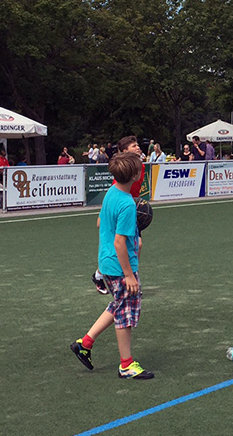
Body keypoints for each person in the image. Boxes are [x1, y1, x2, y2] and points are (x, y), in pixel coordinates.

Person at [70, 152, 155, 379]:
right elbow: (119, 242)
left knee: (118, 304)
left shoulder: (111, 192)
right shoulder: (127, 204)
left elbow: (100, 222)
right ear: (136, 176)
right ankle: (126, 364)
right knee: (125, 314)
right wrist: (129, 275)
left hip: (106, 262)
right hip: (120, 267)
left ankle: (85, 343)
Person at [92, 136, 145, 295]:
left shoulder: (138, 167)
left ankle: (129, 274)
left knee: (137, 244)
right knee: (126, 244)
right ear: (123, 152)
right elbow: (106, 223)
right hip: (125, 209)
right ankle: (106, 274)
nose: (137, 148)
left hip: (130, 205)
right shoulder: (119, 185)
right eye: (133, 146)